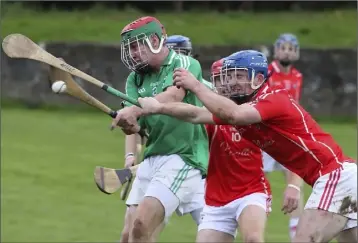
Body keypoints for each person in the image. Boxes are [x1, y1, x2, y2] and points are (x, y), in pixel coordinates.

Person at [137, 50, 357, 243]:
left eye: (239, 76)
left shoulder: (273, 98)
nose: (232, 81)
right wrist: (158, 107)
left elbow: (232, 114)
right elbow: (196, 114)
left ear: (258, 78)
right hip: (338, 179)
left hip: (335, 175)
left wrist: (195, 85)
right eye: (230, 75)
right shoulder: (248, 106)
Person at [112, 16, 209, 243]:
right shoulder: (134, 79)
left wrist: (136, 110)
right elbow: (135, 127)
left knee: (142, 223)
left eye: (137, 45)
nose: (133, 53)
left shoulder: (184, 63)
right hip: (152, 157)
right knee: (129, 235)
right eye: (130, 48)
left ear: (155, 40)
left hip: (183, 157)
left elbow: (173, 95)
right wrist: (128, 124)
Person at [195, 58, 274, 243]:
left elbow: (290, 151)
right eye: (217, 79)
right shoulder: (207, 115)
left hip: (251, 191)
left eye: (227, 78)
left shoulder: (254, 110)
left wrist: (293, 186)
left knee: (253, 239)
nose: (223, 84)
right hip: (216, 198)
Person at [263, 33, 304, 240]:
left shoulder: (297, 76)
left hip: (288, 139)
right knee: (259, 185)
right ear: (276, 50)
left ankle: (297, 235)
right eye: (283, 47)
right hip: (267, 138)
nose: (287, 51)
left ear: (296, 53)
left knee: (295, 184)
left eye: (291, 48)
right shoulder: (267, 72)